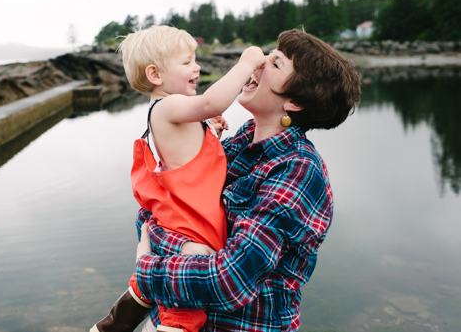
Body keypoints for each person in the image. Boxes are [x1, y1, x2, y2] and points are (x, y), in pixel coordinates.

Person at [134, 29, 362, 332]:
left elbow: (229, 279)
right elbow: (155, 210)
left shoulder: (299, 172)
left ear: (293, 102)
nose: (260, 63)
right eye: (269, 55)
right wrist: (178, 249)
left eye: (276, 64)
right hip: (175, 318)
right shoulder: (240, 141)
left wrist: (148, 267)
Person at [90, 25, 265, 332]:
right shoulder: (167, 106)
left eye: (194, 59)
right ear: (156, 76)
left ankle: (112, 325)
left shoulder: (173, 112)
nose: (196, 67)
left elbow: (193, 160)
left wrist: (212, 132)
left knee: (163, 289)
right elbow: (212, 102)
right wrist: (245, 64)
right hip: (190, 222)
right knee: (185, 310)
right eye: (186, 62)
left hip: (191, 215)